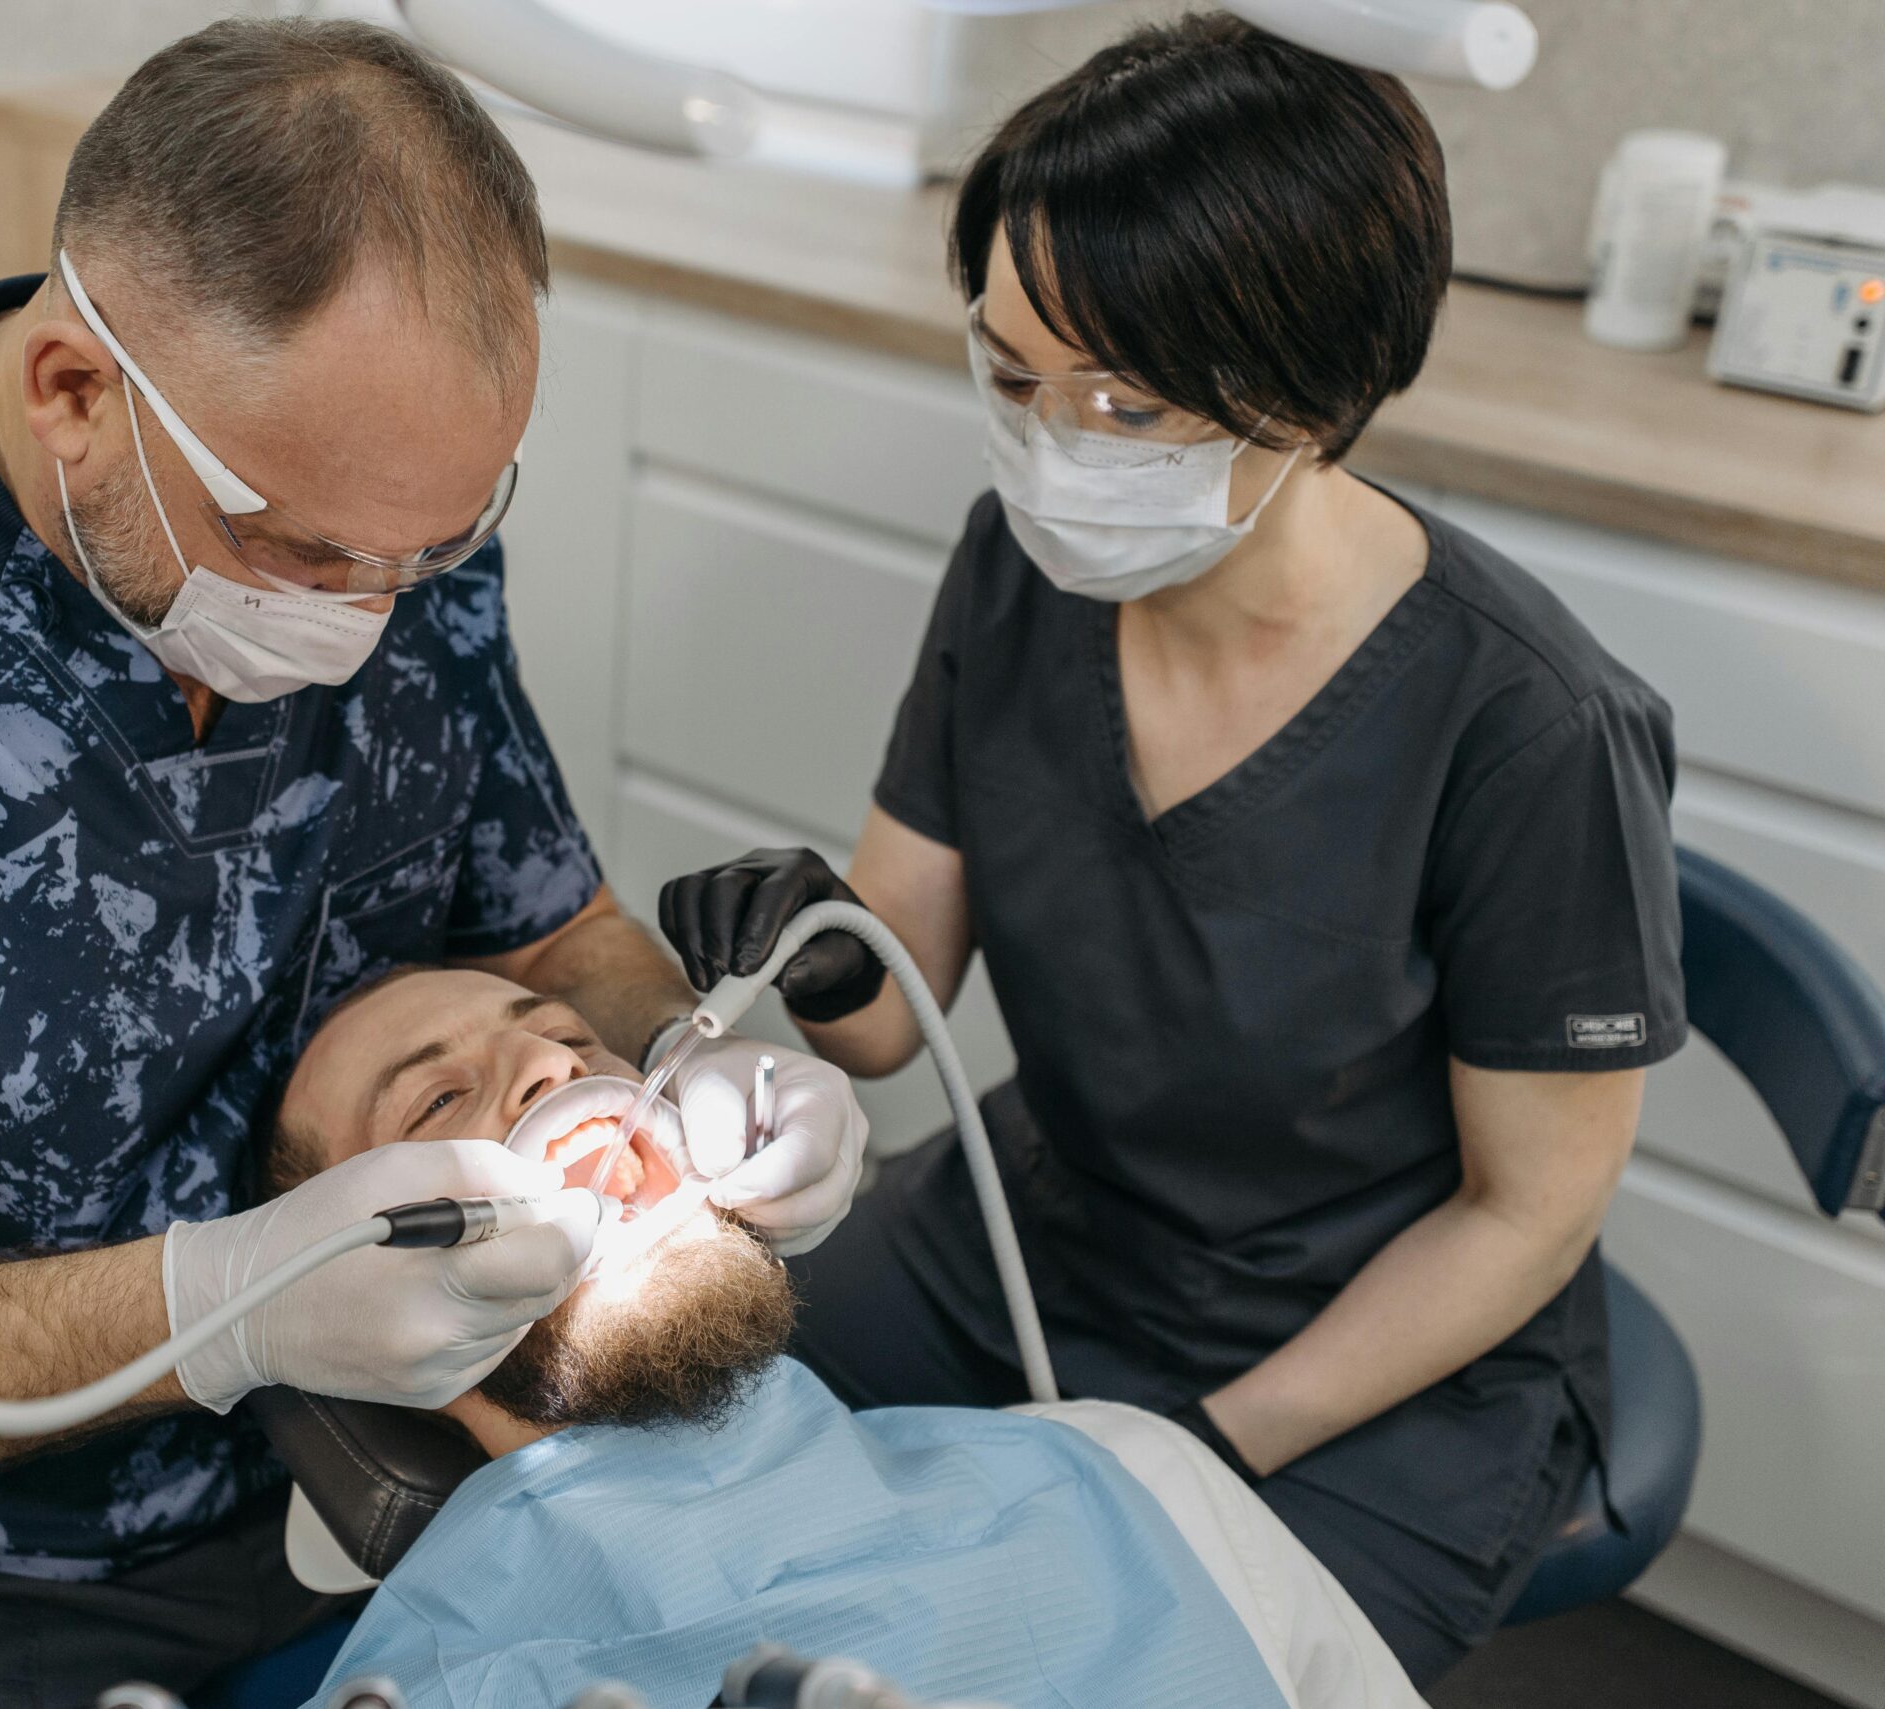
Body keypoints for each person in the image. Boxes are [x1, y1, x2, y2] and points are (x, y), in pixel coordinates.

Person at [0, 20, 863, 1703]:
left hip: (379, 1454)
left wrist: (702, 1062)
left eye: (439, 546)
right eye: (307, 555)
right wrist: (217, 1305)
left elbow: (555, 934)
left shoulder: (384, 532)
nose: (370, 616)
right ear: (75, 393)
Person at [658, 14, 1684, 1685]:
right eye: (1008, 373)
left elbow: (1524, 1217)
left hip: (1368, 1365)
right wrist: (820, 945)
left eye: (1124, 403)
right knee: (660, 1454)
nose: (1050, 444)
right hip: (1034, 1240)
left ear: (1311, 401)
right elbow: (892, 1008)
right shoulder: (1020, 566)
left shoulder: (1530, 725)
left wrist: (1193, 1444)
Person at [260, 966, 1423, 1709]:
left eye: (566, 1034)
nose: (554, 1066)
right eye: (434, 1101)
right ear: (365, 1310)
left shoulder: (1122, 1467)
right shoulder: (430, 1690)